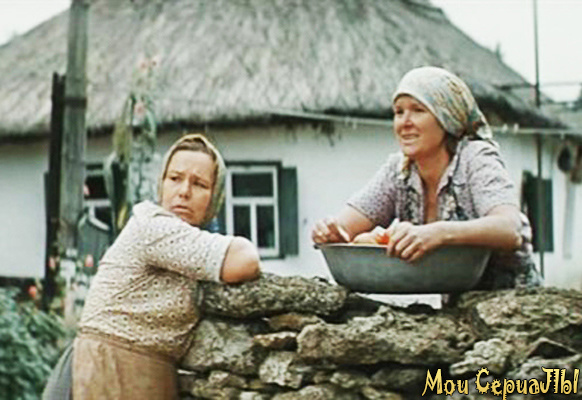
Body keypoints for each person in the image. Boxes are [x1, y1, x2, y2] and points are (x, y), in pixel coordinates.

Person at [312, 66, 541, 291]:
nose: (405, 122)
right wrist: (331, 232)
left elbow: (509, 229)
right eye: (399, 112)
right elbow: (345, 227)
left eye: (418, 110)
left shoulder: (475, 158)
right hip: (459, 303)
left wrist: (438, 233)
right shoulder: (399, 171)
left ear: (447, 118)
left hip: (513, 304)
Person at [67, 133, 260, 399]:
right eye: (175, 179)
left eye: (199, 184)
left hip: (139, 370)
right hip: (114, 368)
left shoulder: (184, 238)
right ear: (161, 184)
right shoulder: (154, 226)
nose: (184, 191)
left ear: (215, 197)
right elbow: (244, 261)